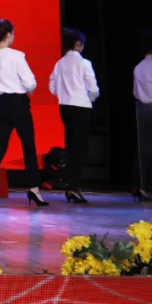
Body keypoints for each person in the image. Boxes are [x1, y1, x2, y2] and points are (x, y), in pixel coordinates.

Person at [0, 14, 48, 208]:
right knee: (28, 147)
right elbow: (31, 82)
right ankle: (34, 189)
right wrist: (26, 88)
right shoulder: (17, 56)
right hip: (18, 103)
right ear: (8, 35)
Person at [49, 28, 99, 204]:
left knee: (71, 147)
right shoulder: (84, 63)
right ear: (78, 44)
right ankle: (74, 187)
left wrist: (64, 94)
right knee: (80, 149)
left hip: (65, 108)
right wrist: (89, 98)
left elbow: (52, 87)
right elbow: (93, 88)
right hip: (81, 107)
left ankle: (71, 186)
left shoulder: (59, 63)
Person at [132, 32, 152, 202]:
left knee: (143, 150)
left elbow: (135, 92)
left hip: (141, 108)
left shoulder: (138, 67)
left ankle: (140, 186)